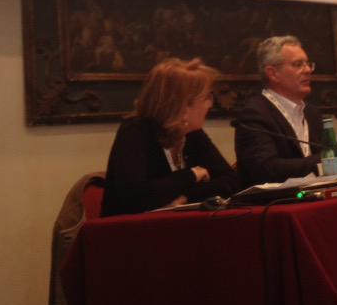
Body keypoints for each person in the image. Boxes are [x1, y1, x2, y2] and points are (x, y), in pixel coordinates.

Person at [233, 36, 337, 186]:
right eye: (298, 64)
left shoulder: (312, 113)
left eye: (308, 64)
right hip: (276, 204)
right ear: (273, 73)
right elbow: (265, 170)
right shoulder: (254, 115)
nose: (308, 70)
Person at [101, 58, 239, 216]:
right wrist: (191, 175)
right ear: (183, 105)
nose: (210, 104)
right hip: (127, 229)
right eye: (206, 97)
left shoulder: (193, 133)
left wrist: (186, 197)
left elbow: (230, 181)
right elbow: (135, 197)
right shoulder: (135, 132)